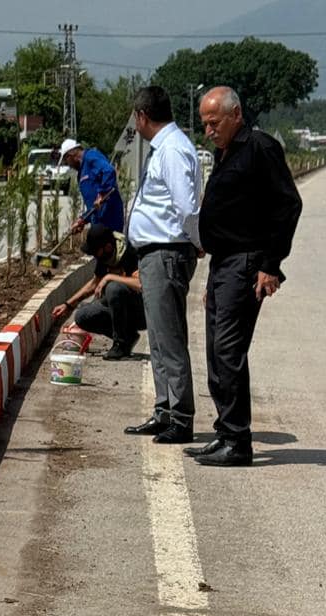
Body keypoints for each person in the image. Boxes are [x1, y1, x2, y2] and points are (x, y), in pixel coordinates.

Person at [188, 86, 303, 467]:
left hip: (247, 262)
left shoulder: (260, 149)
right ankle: (224, 430)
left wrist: (271, 264)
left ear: (235, 115)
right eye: (204, 124)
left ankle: (238, 441)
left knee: (229, 350)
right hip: (223, 264)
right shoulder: (226, 153)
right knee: (213, 350)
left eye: (214, 122)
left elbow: (288, 204)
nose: (208, 130)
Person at [120, 85, 203, 445]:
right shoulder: (166, 147)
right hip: (155, 253)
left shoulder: (171, 150)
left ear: (142, 116)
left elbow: (186, 207)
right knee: (157, 336)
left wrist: (198, 242)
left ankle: (181, 417)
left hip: (167, 252)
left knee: (169, 338)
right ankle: (164, 409)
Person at [51, 225, 144, 360]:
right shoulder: (106, 256)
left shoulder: (130, 251)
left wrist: (110, 277)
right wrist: (68, 304)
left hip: (142, 312)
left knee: (113, 288)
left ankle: (121, 345)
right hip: (120, 310)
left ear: (107, 247)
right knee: (83, 316)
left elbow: (140, 284)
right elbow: (94, 283)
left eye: (96, 251)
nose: (95, 256)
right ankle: (128, 336)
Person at [57, 138, 125, 234]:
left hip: (110, 221)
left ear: (70, 156)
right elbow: (93, 205)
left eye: (66, 161)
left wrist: (102, 193)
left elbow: (109, 171)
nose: (68, 165)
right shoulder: (81, 174)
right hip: (98, 222)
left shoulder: (91, 156)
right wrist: (82, 220)